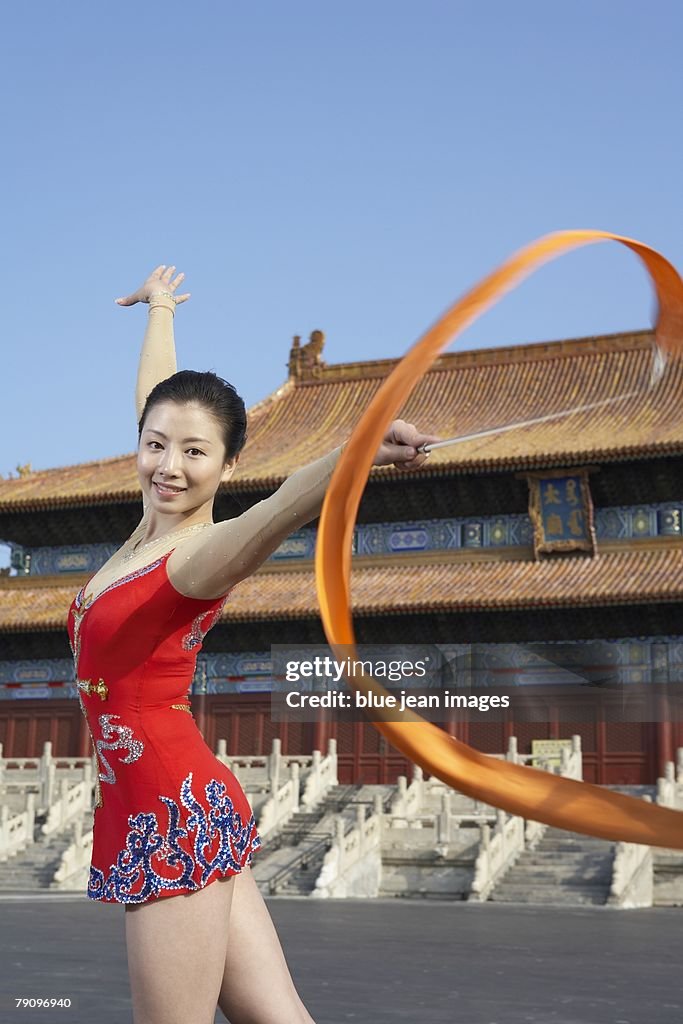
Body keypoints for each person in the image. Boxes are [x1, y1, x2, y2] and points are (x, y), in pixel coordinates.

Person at [67, 264, 439, 1024]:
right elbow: (157, 396)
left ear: (228, 464)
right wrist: (160, 309)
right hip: (173, 802)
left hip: (170, 814)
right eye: (155, 445)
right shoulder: (144, 531)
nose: (170, 465)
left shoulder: (200, 556)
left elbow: (277, 510)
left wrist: (358, 451)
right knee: (279, 1016)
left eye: (195, 453)